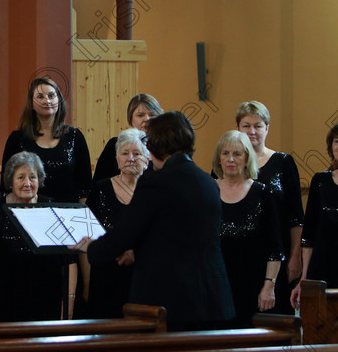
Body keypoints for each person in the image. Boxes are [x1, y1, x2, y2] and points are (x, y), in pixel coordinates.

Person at [73, 112, 235, 331]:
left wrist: (91, 248)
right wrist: (137, 249)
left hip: (171, 302)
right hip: (213, 300)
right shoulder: (208, 182)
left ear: (155, 146)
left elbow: (125, 234)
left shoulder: (156, 183)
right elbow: (175, 233)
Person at [0, 152, 78, 322]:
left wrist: (69, 303)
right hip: (7, 303)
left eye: (33, 177)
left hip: (47, 303)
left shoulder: (52, 209)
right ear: (10, 180)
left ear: (40, 180)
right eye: (21, 177)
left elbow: (70, 261)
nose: (27, 183)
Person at [234, 101, 304, 315]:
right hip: (239, 258)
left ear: (267, 129)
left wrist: (295, 257)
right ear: (238, 128)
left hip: (278, 257)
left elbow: (296, 217)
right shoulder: (228, 162)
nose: (252, 131)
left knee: (276, 321)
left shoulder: (283, 162)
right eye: (246, 126)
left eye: (258, 125)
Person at [213, 130, 283, 328]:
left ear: (247, 158)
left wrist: (269, 285)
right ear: (219, 158)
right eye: (225, 153)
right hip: (217, 287)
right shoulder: (208, 191)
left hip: (254, 287)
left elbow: (275, 246)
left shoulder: (263, 193)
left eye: (237, 154)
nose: (231, 159)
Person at [85, 128, 149, 319]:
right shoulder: (100, 189)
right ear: (117, 158)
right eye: (125, 153)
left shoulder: (153, 190)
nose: (130, 158)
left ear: (147, 159)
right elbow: (88, 235)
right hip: (105, 278)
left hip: (142, 278)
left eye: (137, 153)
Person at [0, 77, 92, 203]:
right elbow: (6, 186)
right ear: (31, 104)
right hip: (29, 213)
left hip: (68, 214)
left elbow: (84, 187)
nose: (47, 100)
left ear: (59, 100)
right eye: (40, 96)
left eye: (51, 95)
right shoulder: (17, 139)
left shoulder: (75, 136)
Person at [291, 124, 338, 309]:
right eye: (336, 141)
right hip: (322, 268)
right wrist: (304, 279)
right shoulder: (320, 181)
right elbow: (308, 236)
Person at [93, 94, 163, 182]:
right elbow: (99, 182)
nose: (147, 119)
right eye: (140, 115)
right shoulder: (115, 144)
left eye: (152, 115)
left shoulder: (165, 147)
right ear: (130, 119)